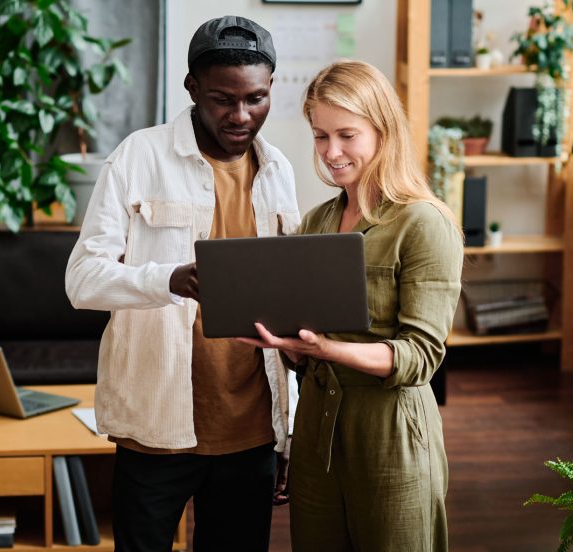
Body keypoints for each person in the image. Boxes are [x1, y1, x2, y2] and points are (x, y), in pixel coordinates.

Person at [64, 15, 299, 552]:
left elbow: (289, 306)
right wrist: (168, 278)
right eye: (222, 99)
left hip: (253, 430)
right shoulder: (137, 157)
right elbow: (82, 279)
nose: (241, 115)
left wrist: (291, 431)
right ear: (192, 87)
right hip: (157, 425)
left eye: (256, 99)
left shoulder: (280, 171)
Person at [239, 60, 464, 551]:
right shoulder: (317, 221)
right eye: (321, 136)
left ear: (383, 130)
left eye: (347, 135)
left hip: (390, 433)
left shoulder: (423, 224)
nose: (332, 152)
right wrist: (285, 343)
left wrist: (326, 348)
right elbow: (303, 345)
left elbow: (421, 356)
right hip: (318, 429)